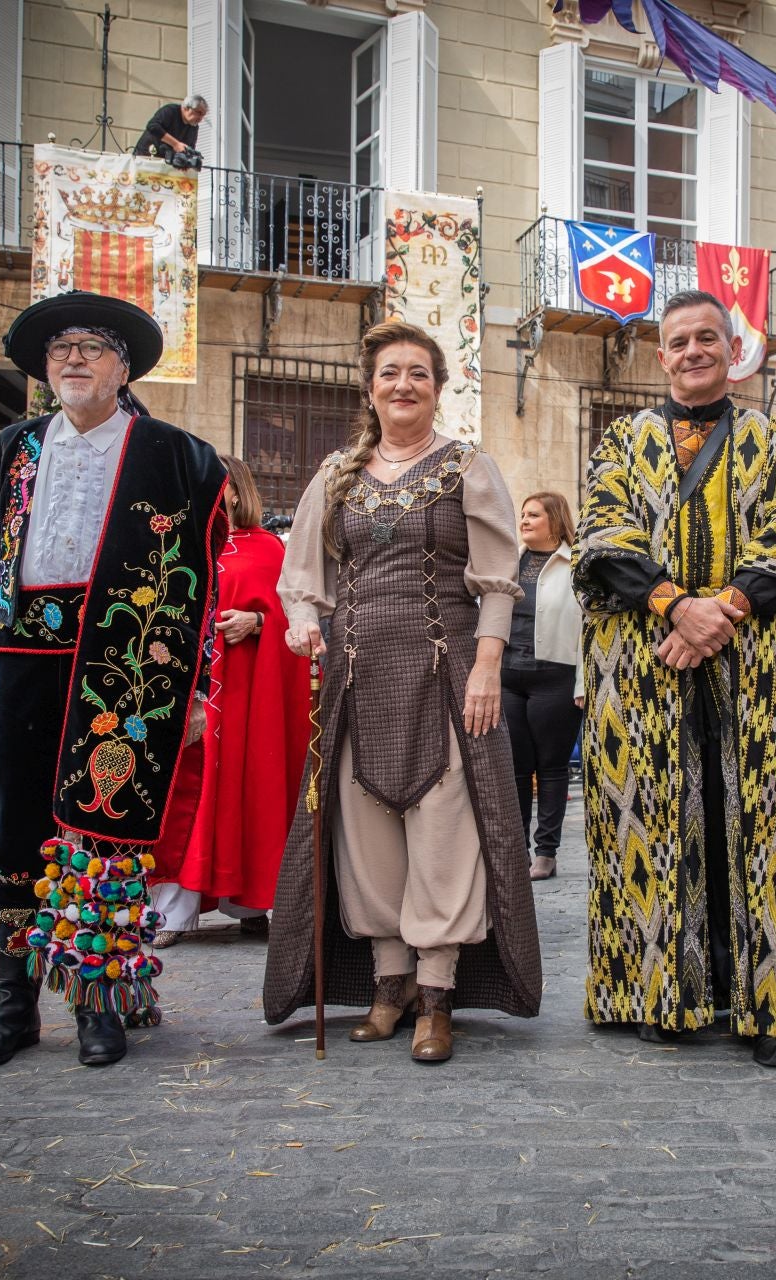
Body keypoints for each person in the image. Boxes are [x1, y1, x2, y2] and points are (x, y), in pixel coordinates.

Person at [0, 290, 226, 1070]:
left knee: (104, 831)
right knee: (14, 828)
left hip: (126, 663)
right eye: (60, 348)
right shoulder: (14, 449)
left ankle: (101, 998)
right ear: (44, 368)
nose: (73, 358)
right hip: (23, 656)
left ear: (122, 367)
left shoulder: (177, 455)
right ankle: (15, 1005)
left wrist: (196, 687)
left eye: (92, 347)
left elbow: (199, 584)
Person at [263, 319, 542, 1065]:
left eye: (418, 372)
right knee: (368, 838)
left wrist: (487, 666)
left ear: (437, 387)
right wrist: (300, 623)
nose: (404, 384)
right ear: (370, 387)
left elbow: (495, 578)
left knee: (445, 834)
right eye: (390, 372)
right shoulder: (336, 475)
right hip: (359, 681)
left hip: (447, 676)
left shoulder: (465, 468)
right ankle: (391, 989)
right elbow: (301, 579)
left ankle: (439, 993)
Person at [576, 289, 776, 1070]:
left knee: (756, 825)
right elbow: (602, 541)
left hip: (753, 676)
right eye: (679, 341)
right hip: (643, 676)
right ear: (662, 356)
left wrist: (722, 612)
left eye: (707, 339)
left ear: (732, 349)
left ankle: (771, 1007)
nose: (693, 351)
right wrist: (677, 608)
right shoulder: (620, 441)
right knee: (650, 825)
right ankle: (663, 995)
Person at [151, 456, 309, 943]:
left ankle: (253, 905)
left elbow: (299, 620)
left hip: (245, 699)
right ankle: (171, 915)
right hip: (182, 698)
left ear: (235, 493)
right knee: (181, 802)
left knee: (249, 792)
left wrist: (258, 623)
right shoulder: (175, 547)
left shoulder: (269, 551)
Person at [502, 490, 584, 881]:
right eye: (523, 514)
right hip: (507, 677)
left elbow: (589, 630)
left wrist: (583, 682)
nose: (525, 520)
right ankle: (516, 849)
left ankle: (546, 852)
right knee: (515, 768)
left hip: (556, 676)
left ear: (554, 519)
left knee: (551, 768)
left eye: (534, 514)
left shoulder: (576, 567)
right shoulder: (508, 563)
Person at [134, 95, 207, 162]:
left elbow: (190, 147)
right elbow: (152, 126)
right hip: (145, 158)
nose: (200, 118)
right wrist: (175, 144)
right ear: (186, 108)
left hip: (167, 165)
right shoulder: (170, 110)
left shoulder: (194, 127)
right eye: (199, 113)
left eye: (203, 115)